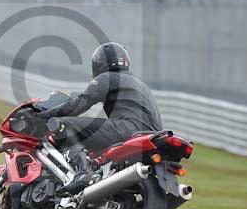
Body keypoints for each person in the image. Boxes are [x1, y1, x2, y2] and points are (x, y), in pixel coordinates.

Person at [34, 42, 163, 194]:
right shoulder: (141, 84)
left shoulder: (107, 78)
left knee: (63, 124)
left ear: (99, 63)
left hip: (126, 130)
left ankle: (83, 173)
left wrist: (42, 116)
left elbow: (78, 106)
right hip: (152, 136)